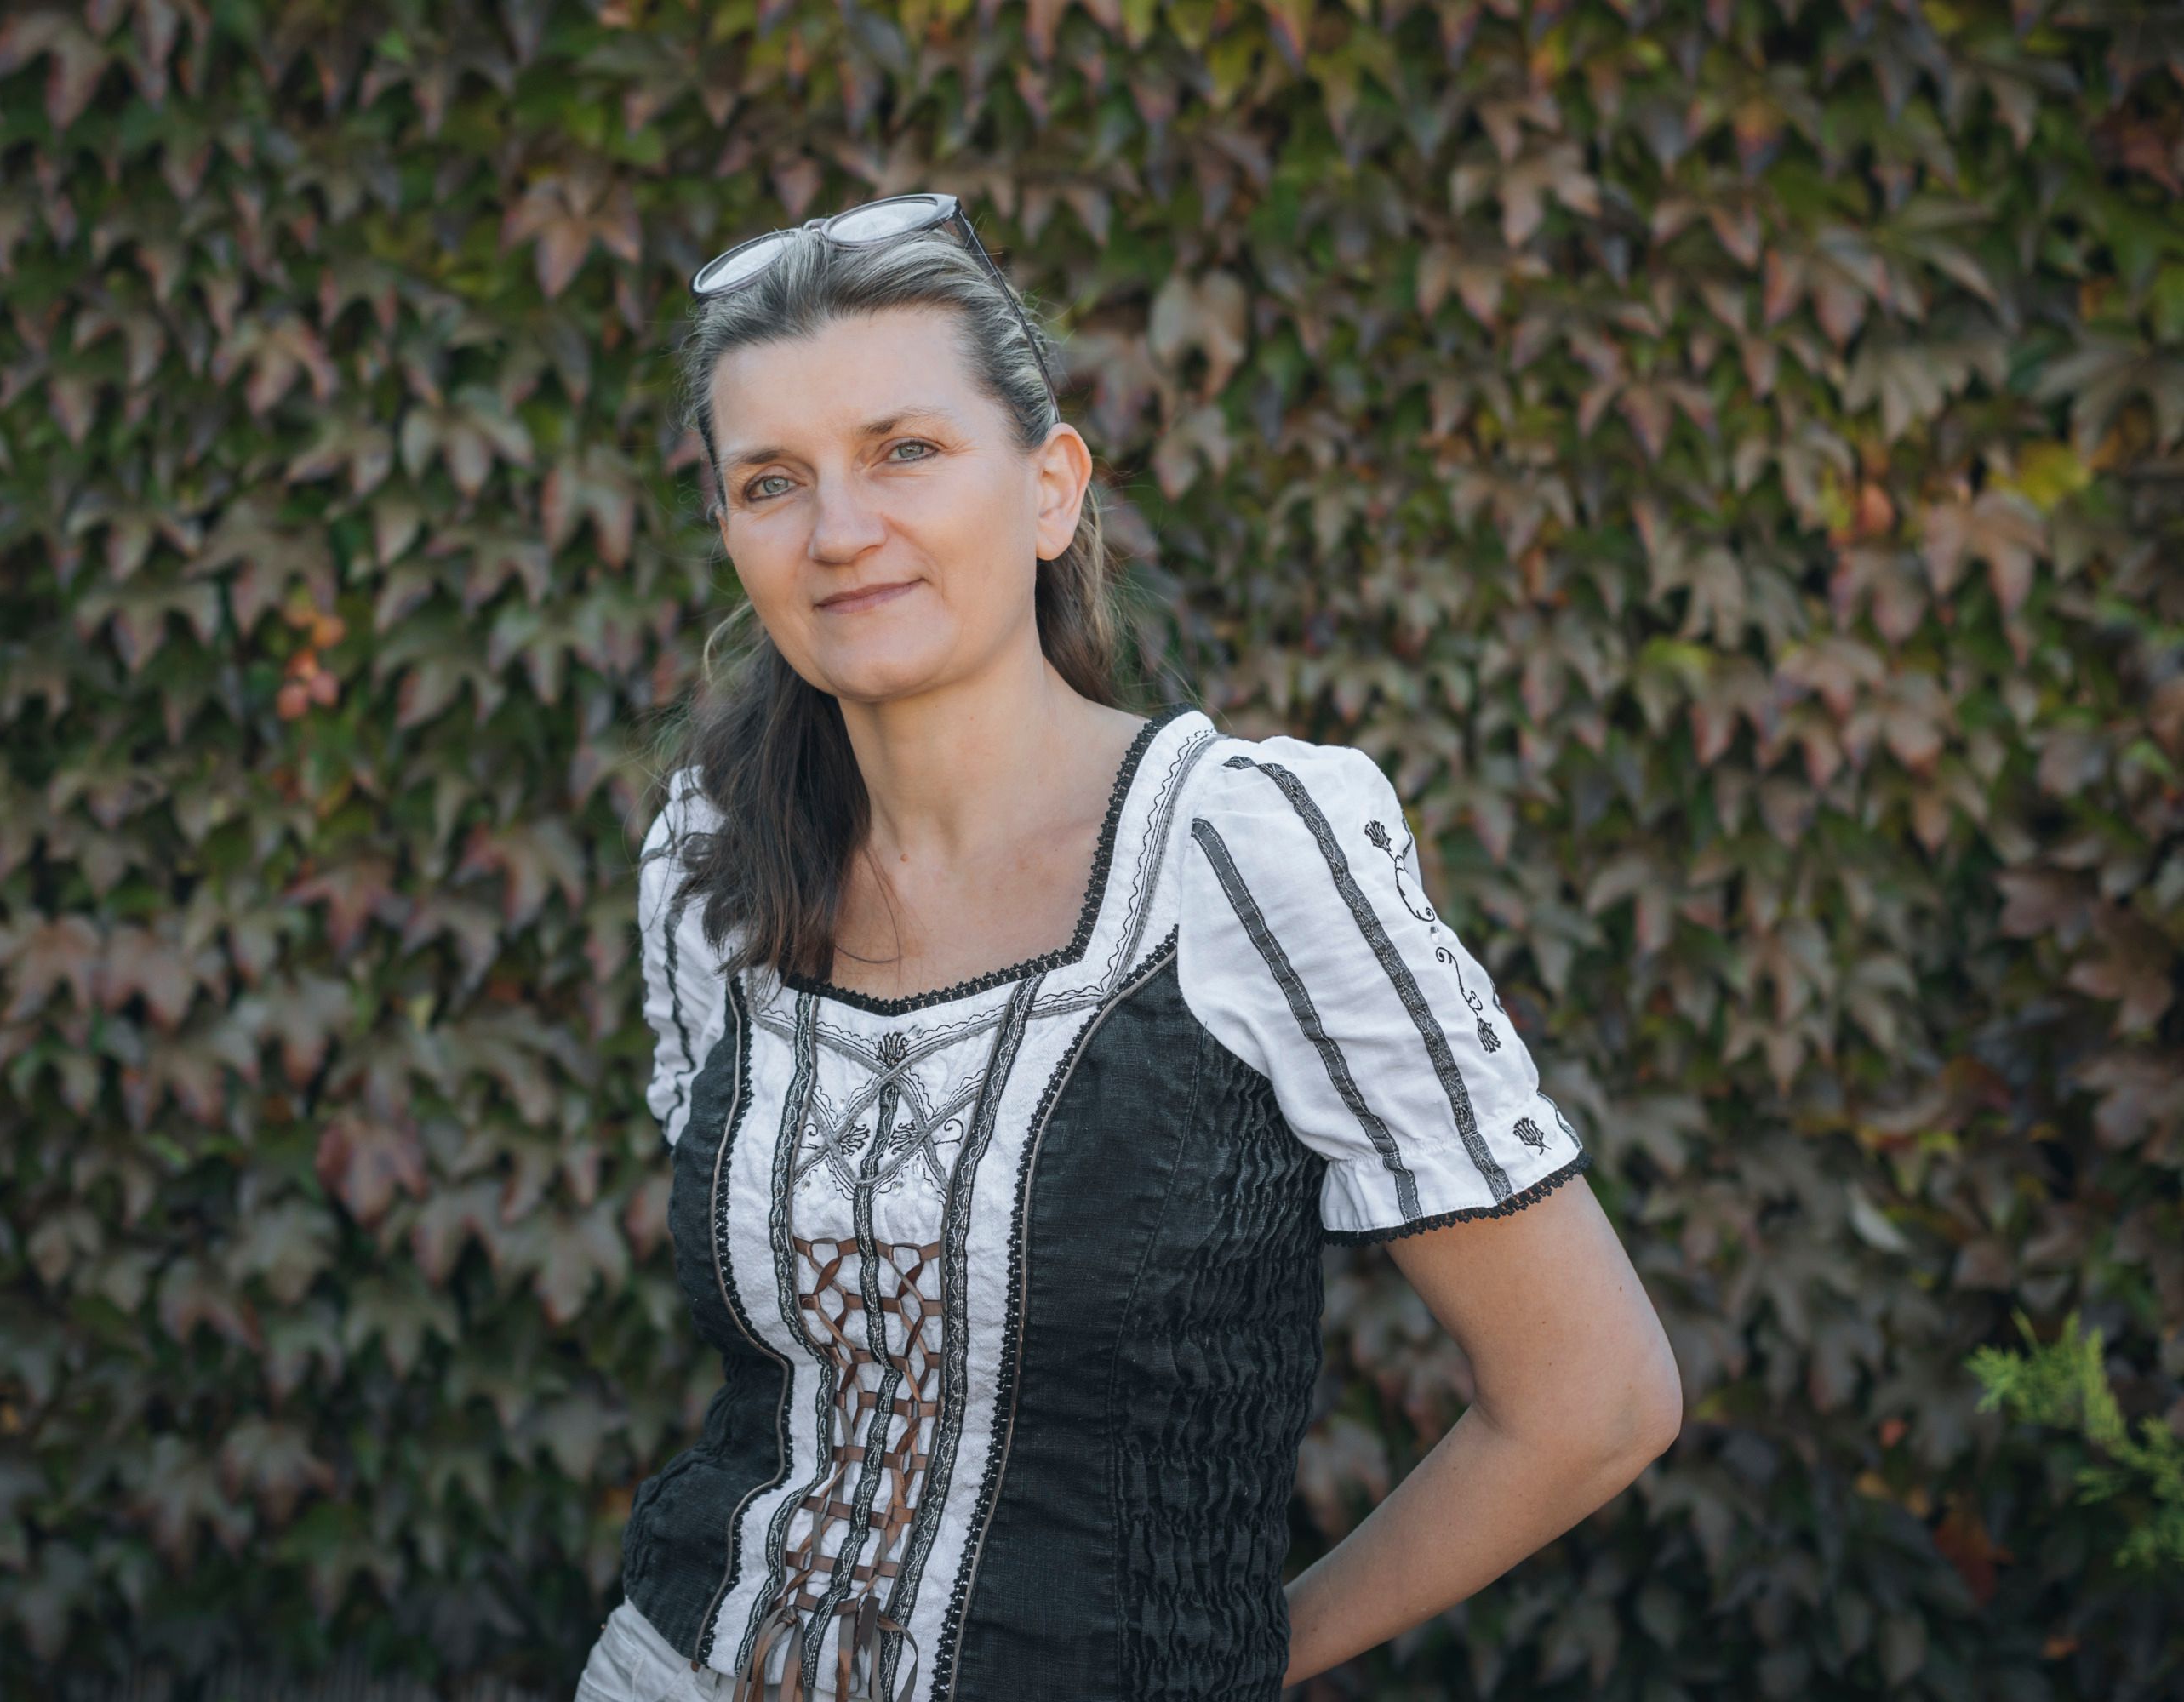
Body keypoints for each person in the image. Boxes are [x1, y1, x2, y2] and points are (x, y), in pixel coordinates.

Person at [575, 194, 1681, 1702]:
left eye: (906, 451)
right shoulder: (714, 854)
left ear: (1051, 491)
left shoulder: (1244, 850)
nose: (839, 532)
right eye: (772, 481)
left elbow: (1593, 1400)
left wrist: (1237, 1661)